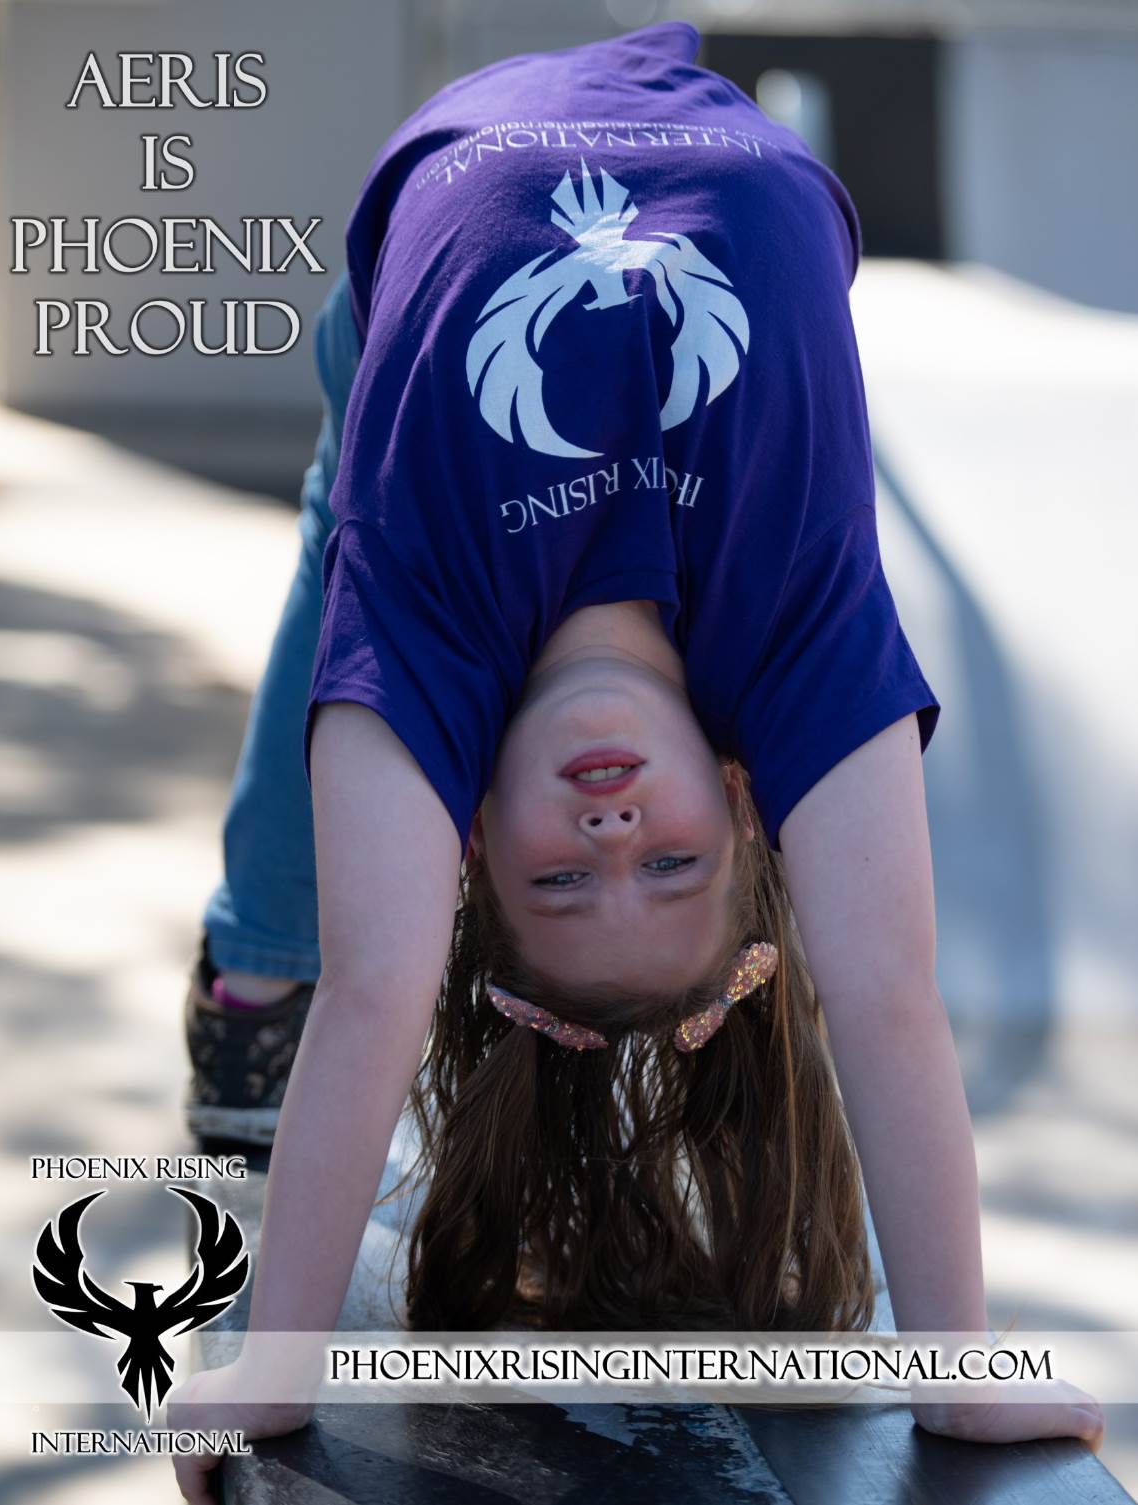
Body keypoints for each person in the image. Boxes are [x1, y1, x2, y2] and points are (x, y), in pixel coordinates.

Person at [171, 20, 1105, 1501]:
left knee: (349, 539)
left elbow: (378, 987)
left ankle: (248, 959)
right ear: (748, 797)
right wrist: (955, 1360)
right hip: (710, 113)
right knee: (353, 570)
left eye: (560, 878)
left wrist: (276, 1367)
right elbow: (883, 988)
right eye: (670, 864)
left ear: (470, 830)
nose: (612, 834)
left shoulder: (433, 636)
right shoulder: (797, 637)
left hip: (425, 203)